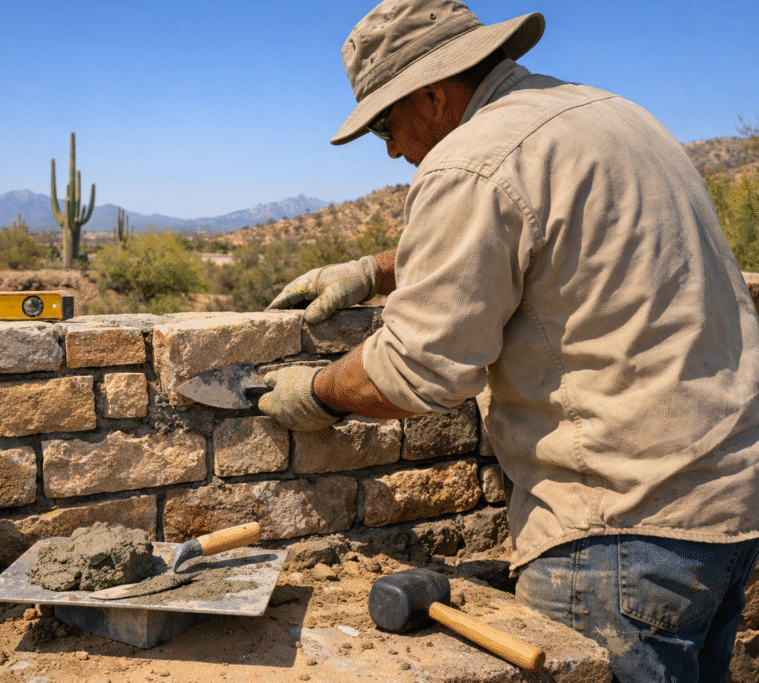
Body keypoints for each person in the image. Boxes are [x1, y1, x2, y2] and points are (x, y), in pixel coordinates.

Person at [259, 1, 759, 681]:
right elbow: (543, 240)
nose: (391, 148)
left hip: (619, 529)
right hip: (725, 507)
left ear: (433, 94)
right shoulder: (609, 114)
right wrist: (374, 270)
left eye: (386, 121)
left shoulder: (472, 157)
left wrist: (315, 392)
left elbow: (415, 368)